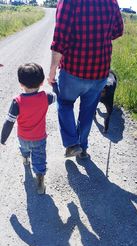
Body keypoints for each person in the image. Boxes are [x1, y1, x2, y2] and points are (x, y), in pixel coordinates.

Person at [48, 0, 124, 159]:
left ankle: (72, 144)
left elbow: (60, 38)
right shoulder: (111, 1)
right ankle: (82, 147)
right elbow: (118, 31)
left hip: (73, 69)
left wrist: (52, 71)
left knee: (64, 103)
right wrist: (99, 36)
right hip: (100, 71)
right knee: (88, 111)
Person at [1, 63, 56, 194]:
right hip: (40, 138)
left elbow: (9, 122)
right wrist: (55, 84)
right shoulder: (46, 97)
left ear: (21, 83)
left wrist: (3, 138)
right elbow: (56, 95)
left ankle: (25, 159)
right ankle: (40, 182)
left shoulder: (17, 101)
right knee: (39, 158)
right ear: (42, 82)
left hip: (23, 136)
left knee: (24, 149)